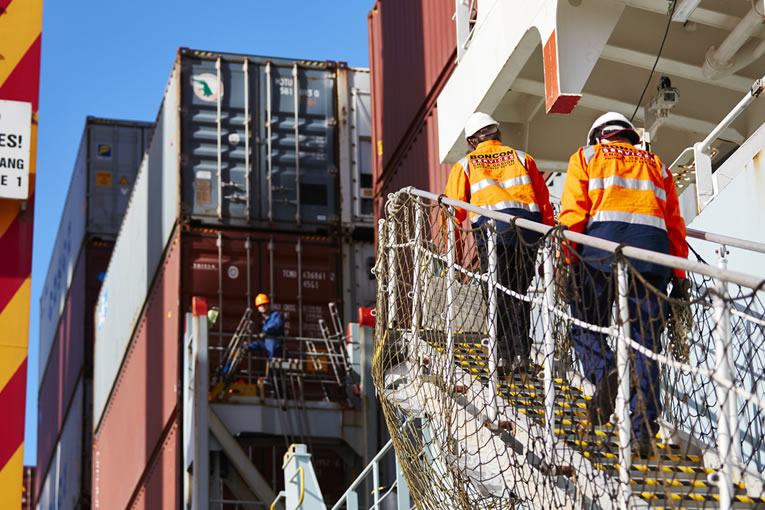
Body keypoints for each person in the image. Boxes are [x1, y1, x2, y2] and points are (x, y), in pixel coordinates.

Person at [557, 111, 689, 454]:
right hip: (654, 258)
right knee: (645, 343)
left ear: (599, 135)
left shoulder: (586, 157)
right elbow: (675, 224)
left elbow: (573, 214)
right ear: (629, 135)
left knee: (586, 324)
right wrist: (680, 276)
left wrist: (567, 260)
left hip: (601, 251)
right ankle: (643, 431)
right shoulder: (656, 164)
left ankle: (604, 374)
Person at [444, 112, 554, 373]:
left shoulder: (465, 164)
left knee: (496, 293)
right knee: (518, 292)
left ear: (472, 141)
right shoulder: (522, 158)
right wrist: (548, 238)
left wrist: (456, 256)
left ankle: (504, 355)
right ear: (498, 134)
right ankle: (522, 355)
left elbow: (451, 214)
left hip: (493, 233)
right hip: (529, 232)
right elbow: (544, 201)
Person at [248, 293, 285, 359]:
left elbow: (276, 326)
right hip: (270, 354)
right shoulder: (265, 322)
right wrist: (250, 347)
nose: (262, 306)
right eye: (260, 305)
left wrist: (266, 332)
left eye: (264, 304)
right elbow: (262, 342)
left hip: (278, 354)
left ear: (268, 304)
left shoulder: (276, 316)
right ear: (258, 308)